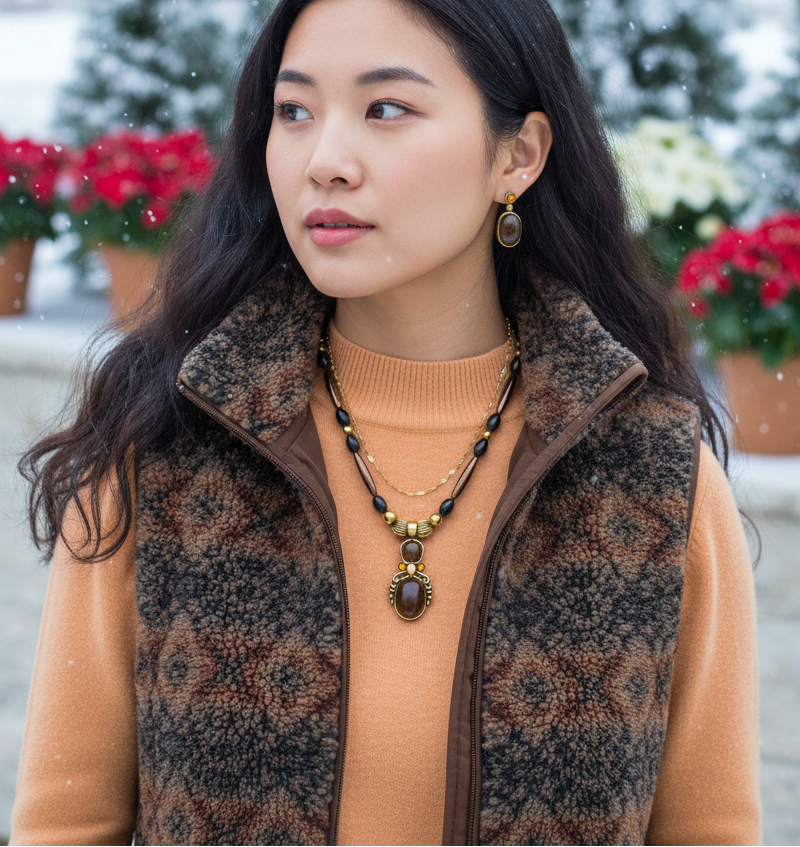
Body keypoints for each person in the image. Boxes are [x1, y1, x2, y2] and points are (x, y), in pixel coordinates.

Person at [11, 0, 761, 844]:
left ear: (518, 155)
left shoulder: (653, 471)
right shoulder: (163, 439)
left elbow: (710, 828)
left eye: (386, 109)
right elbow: (67, 825)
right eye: (293, 111)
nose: (324, 160)